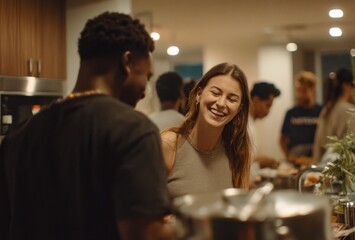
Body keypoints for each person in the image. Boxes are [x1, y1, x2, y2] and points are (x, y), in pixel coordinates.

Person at [0, 12, 172, 240]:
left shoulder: (19, 134)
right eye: (146, 76)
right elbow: (147, 235)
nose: (144, 90)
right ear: (127, 62)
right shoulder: (133, 128)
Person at [161, 62, 252, 199]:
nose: (221, 104)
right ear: (199, 94)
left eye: (231, 99)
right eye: (215, 93)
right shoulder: (168, 145)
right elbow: (141, 210)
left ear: (239, 109)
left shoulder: (236, 152)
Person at [312, 68, 355, 164]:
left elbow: (317, 144)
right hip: (343, 170)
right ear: (346, 86)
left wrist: (315, 165)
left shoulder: (327, 108)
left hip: (324, 168)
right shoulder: (351, 111)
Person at [280, 71, 322, 169]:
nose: (298, 94)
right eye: (297, 90)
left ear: (312, 89)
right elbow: (282, 138)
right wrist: (288, 156)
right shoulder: (291, 113)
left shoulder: (322, 112)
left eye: (303, 90)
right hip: (295, 164)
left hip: (316, 163)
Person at [249, 82, 281, 169]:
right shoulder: (243, 124)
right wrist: (259, 159)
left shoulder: (251, 123)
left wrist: (261, 161)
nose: (268, 111)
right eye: (267, 105)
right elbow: (235, 160)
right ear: (255, 100)